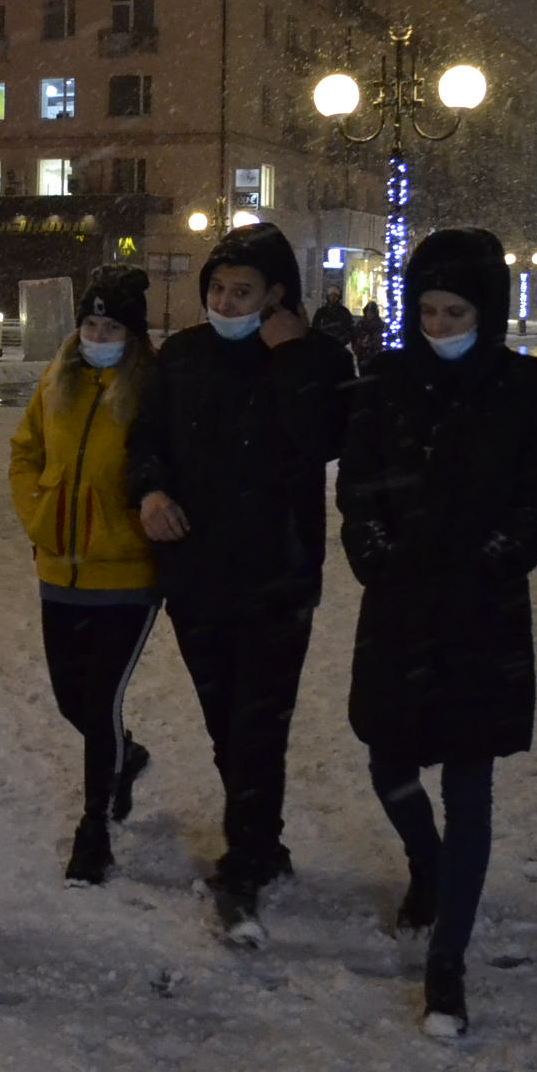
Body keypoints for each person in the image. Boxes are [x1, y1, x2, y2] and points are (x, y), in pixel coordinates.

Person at [337, 227, 537, 1039]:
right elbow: (359, 489)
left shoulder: (528, 388)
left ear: (489, 311)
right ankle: (426, 862)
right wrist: (375, 556)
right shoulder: (385, 382)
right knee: (387, 759)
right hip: (400, 604)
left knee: (471, 782)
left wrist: (495, 559)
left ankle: (450, 954)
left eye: (455, 311)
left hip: (481, 609)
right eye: (428, 311)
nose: (438, 327)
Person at [128, 224, 354, 945]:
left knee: (260, 722)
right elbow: (147, 442)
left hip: (276, 575)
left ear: (277, 295)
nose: (226, 301)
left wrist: (289, 352)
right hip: (196, 571)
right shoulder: (185, 355)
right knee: (225, 719)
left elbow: (324, 437)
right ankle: (264, 840)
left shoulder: (315, 357)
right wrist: (151, 493)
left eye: (243, 291)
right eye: (218, 288)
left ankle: (246, 862)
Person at [9, 265, 160, 886]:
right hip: (58, 567)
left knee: (99, 703)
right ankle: (128, 758)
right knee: (72, 700)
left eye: (112, 324)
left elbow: (167, 465)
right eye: (92, 322)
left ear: (132, 332)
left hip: (126, 573)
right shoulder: (57, 378)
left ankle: (93, 828)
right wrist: (39, 515)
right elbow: (25, 453)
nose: (99, 333)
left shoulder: (153, 386)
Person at [353, 300, 386, 364]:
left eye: (372, 312)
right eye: (368, 311)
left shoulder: (380, 325)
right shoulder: (361, 323)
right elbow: (355, 336)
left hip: (374, 355)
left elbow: (379, 340)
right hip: (360, 353)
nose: (369, 314)